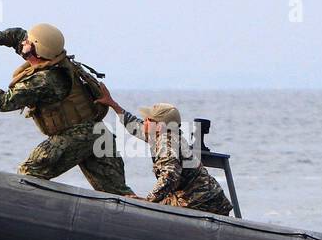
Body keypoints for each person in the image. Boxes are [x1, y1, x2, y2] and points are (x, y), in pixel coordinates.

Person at [0, 23, 132, 196]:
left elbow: (4, 102)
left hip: (77, 135)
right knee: (118, 193)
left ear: (36, 51)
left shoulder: (44, 80)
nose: (23, 42)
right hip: (99, 133)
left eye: (28, 42)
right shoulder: (53, 59)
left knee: (28, 173)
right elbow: (17, 35)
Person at [96, 88, 233, 215]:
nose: (144, 121)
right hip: (197, 198)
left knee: (142, 208)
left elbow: (170, 176)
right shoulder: (162, 134)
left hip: (201, 203)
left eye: (148, 120)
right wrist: (113, 104)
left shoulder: (167, 143)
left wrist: (148, 201)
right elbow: (135, 126)